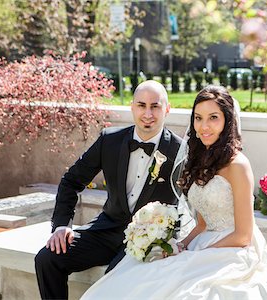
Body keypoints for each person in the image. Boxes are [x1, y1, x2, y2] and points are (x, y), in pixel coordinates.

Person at [81, 85, 267, 299]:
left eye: (213, 117)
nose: (204, 126)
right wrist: (182, 245)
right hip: (203, 241)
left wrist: (200, 255)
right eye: (198, 118)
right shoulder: (199, 159)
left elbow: (243, 236)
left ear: (227, 120)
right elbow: (203, 224)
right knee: (142, 274)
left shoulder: (238, 165)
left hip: (232, 249)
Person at [34, 80, 182, 300]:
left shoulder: (180, 151)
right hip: (106, 230)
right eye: (141, 105)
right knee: (47, 258)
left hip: (148, 239)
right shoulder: (110, 140)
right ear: (132, 107)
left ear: (167, 109)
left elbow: (189, 202)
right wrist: (62, 225)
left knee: (114, 278)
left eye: (155, 106)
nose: (148, 113)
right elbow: (71, 181)